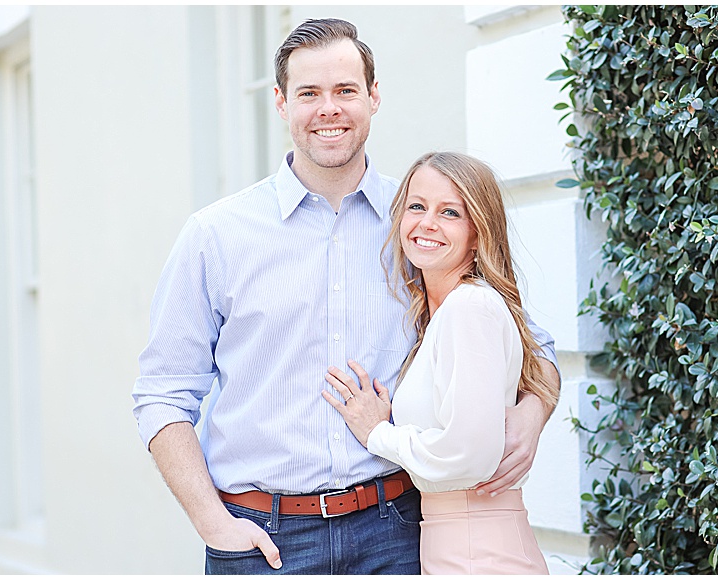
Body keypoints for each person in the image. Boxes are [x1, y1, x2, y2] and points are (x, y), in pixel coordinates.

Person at [132, 18, 561, 575]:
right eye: (309, 93)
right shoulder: (216, 235)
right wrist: (214, 524)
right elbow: (163, 393)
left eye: (345, 91)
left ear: (373, 97)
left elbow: (533, 345)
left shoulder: (417, 224)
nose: (328, 108)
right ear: (283, 103)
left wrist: (531, 415)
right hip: (264, 540)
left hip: (397, 530)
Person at [323, 151, 556, 574]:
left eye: (449, 212)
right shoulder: (441, 312)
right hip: (451, 542)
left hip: (480, 550)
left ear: (477, 231)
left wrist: (378, 433)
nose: (427, 223)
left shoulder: (470, 306)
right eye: (417, 207)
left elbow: (465, 455)